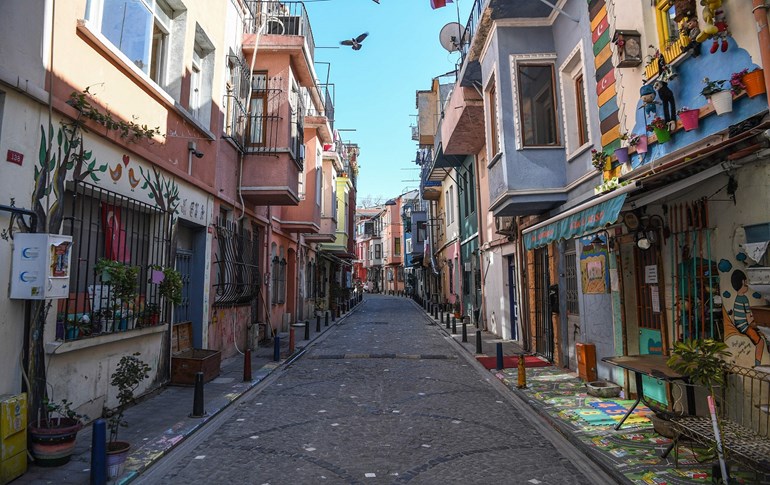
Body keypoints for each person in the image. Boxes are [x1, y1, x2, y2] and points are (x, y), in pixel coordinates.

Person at [731, 270, 766, 366]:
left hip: (739, 325)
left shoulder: (737, 298)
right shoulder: (744, 299)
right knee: (760, 342)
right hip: (744, 327)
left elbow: (735, 315)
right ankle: (758, 364)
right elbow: (749, 320)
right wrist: (756, 319)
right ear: (743, 282)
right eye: (747, 282)